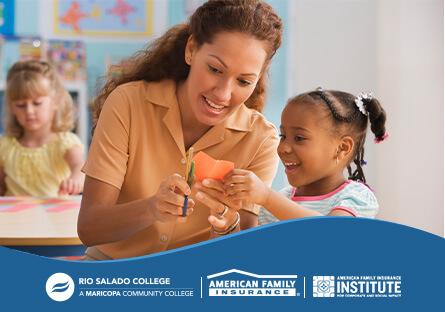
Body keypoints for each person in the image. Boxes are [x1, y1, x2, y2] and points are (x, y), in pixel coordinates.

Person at [78, 0, 283, 260]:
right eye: (215, 69)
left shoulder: (261, 139)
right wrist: (151, 208)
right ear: (191, 50)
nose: (223, 94)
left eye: (243, 81)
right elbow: (90, 228)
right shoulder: (128, 103)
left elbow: (239, 257)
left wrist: (226, 223)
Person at [223, 88, 388, 223]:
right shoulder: (278, 202)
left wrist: (267, 197)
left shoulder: (356, 197)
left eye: (299, 138)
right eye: (283, 136)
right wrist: (226, 221)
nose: (283, 148)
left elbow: (333, 234)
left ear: (342, 148)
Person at [0, 60, 84, 197]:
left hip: (53, 216)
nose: (29, 111)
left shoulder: (65, 142)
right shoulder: (4, 146)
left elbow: (79, 166)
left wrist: (75, 180)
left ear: (56, 101)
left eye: (37, 103)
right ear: (11, 108)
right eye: (21, 105)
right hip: (13, 217)